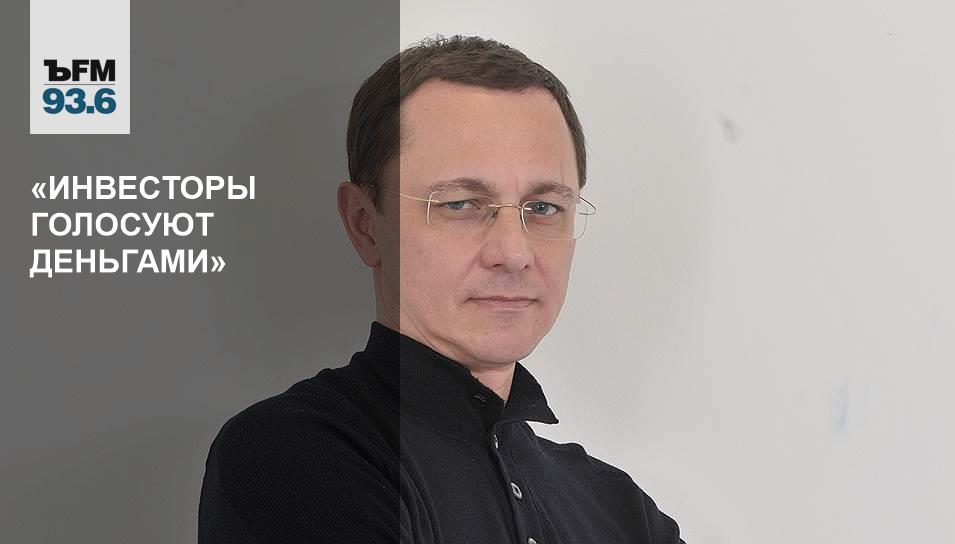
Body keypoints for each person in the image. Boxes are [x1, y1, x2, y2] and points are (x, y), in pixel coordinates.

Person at [198, 34, 685, 543]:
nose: (513, 253)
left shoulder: (619, 509)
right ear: (366, 224)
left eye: (544, 208)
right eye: (460, 204)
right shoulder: (292, 454)